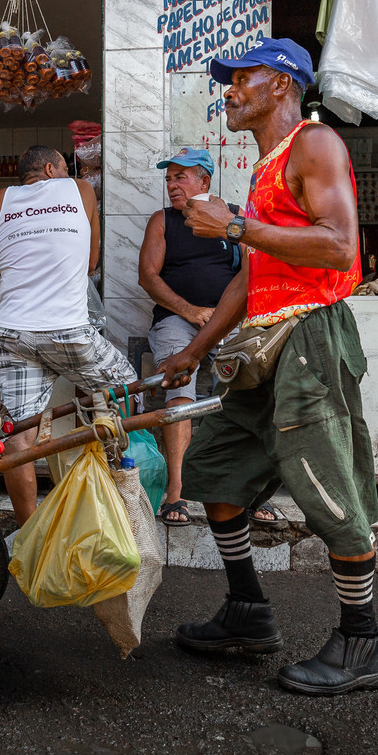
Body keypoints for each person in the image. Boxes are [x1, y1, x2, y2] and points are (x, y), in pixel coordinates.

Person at [157, 36, 378, 696]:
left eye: (243, 78)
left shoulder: (314, 144)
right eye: (228, 81)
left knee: (327, 486)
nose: (229, 90)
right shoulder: (265, 170)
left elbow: (339, 246)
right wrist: (193, 351)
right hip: (265, 344)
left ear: (282, 83)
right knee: (215, 469)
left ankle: (363, 642)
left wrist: (236, 228)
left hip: (310, 338)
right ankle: (247, 611)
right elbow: (251, 278)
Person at [0, 144, 136, 526]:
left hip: (12, 333)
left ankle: (30, 533)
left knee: (19, 432)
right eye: (64, 168)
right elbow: (91, 263)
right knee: (128, 388)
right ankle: (120, 490)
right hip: (68, 331)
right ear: (53, 169)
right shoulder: (81, 189)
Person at [137, 147, 266, 525]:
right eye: (168, 178)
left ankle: (248, 493)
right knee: (180, 385)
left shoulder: (234, 218)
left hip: (228, 320)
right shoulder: (163, 221)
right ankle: (176, 492)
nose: (171, 185)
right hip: (177, 320)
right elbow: (147, 276)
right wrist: (190, 311)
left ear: (204, 181)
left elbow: (255, 271)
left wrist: (225, 320)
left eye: (180, 177)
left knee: (250, 391)